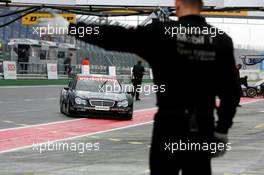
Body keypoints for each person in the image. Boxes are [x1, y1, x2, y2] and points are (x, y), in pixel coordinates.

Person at [40, 0, 240, 174]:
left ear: (177, 5)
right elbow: (231, 93)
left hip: (169, 124)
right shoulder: (221, 40)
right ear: (201, 6)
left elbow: (115, 36)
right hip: (201, 127)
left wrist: (72, 28)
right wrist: (222, 130)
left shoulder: (162, 33)